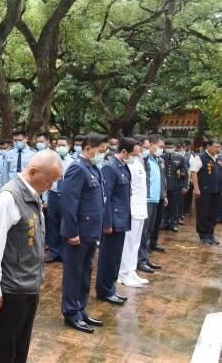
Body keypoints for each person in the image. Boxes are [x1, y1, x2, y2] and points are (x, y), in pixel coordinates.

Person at [0, 150, 62, 363]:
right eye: (51, 179)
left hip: (28, 286)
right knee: (2, 352)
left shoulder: (33, 195)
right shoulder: (8, 198)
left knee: (19, 349)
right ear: (34, 172)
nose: (52, 185)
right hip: (10, 291)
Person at [60, 132, 108, 333]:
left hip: (91, 232)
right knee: (74, 273)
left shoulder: (92, 168)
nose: (103, 155)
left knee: (85, 272)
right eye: (101, 151)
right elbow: (70, 204)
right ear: (88, 149)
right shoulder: (77, 169)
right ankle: (71, 313)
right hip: (78, 233)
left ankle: (80, 308)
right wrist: (72, 232)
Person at [95, 137, 139, 306]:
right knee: (108, 257)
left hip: (121, 219)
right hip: (112, 221)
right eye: (133, 154)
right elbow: (106, 198)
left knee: (115, 257)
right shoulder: (110, 168)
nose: (135, 157)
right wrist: (107, 223)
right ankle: (104, 290)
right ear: (123, 152)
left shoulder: (123, 167)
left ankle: (110, 288)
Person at [118, 138, 149, 288]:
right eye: (135, 154)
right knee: (127, 244)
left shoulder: (137, 162)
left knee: (135, 243)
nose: (137, 156)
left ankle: (131, 271)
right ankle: (123, 274)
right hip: (131, 209)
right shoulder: (125, 165)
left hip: (140, 208)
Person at [137, 134, 167, 274]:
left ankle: (145, 257)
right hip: (146, 200)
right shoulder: (143, 160)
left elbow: (162, 179)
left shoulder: (159, 160)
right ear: (152, 145)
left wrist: (163, 195)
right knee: (144, 232)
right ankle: (141, 260)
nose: (162, 149)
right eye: (160, 147)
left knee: (151, 231)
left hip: (157, 199)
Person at [44, 136, 74, 263]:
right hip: (53, 195)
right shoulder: (51, 161)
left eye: (63, 145)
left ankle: (65, 253)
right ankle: (54, 252)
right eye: (58, 145)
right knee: (53, 225)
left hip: (67, 197)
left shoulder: (74, 162)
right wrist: (45, 198)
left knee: (65, 225)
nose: (60, 147)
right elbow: (46, 179)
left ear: (69, 146)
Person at [189, 138, 221, 244]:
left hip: (216, 191)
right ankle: (203, 235)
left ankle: (210, 233)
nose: (218, 149)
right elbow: (193, 172)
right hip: (204, 191)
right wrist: (196, 188)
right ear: (208, 146)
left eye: (219, 146)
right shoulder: (201, 157)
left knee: (213, 214)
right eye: (216, 147)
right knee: (204, 213)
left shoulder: (218, 158)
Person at [162, 139, 189, 233]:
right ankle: (165, 222)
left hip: (176, 186)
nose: (169, 149)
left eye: (171, 147)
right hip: (164, 186)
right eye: (167, 147)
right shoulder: (162, 157)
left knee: (174, 205)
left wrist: (185, 186)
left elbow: (185, 173)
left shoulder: (180, 158)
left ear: (174, 147)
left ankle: (173, 223)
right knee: (165, 205)